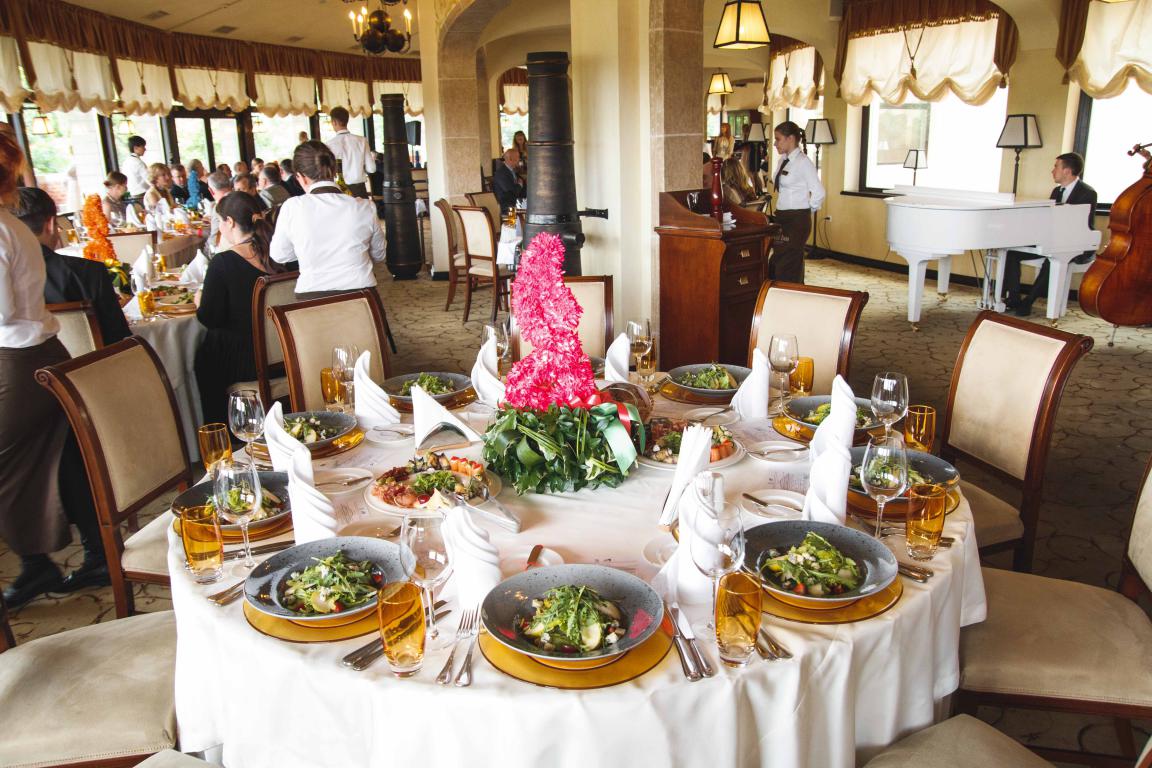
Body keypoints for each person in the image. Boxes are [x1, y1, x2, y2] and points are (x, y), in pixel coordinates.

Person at [13, 188, 127, 595]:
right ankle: (97, 550)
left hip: (25, 392)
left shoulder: (13, 278)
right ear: (51, 224)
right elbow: (118, 343)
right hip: (88, 396)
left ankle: (35, 559)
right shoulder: (88, 274)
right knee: (64, 440)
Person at [0, 132, 74, 608]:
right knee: (47, 459)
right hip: (41, 354)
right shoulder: (12, 226)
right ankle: (39, 560)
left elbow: (3, 312)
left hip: (20, 362)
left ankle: (36, 561)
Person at [194, 192, 290, 427]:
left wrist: (199, 301)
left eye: (220, 221)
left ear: (230, 222)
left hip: (246, 363)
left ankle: (221, 432)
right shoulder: (282, 256)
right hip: (286, 352)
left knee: (202, 358)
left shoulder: (223, 263)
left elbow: (210, 318)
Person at [270, 141, 385, 299]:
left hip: (312, 295)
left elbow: (279, 255)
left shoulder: (292, 207)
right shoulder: (365, 206)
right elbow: (379, 254)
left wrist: (308, 249)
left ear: (300, 177)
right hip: (362, 294)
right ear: (334, 171)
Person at [16, 187, 130, 346]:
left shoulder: (7, 277)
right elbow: (117, 337)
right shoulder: (89, 272)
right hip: (92, 361)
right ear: (50, 224)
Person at [1000, 152, 1098, 317]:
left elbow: (1081, 225)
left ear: (1067, 171)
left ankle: (1029, 301)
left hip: (1078, 244)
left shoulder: (1087, 193)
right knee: (1012, 253)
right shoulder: (1056, 191)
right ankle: (1014, 298)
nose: (1052, 171)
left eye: (1056, 167)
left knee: (1053, 259)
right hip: (1053, 240)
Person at [770, 121, 825, 284]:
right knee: (779, 260)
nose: (775, 144)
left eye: (778, 139)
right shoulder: (782, 160)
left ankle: (790, 293)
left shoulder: (803, 162)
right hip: (782, 217)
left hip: (797, 220)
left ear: (790, 138)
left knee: (788, 263)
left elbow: (819, 192)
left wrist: (806, 211)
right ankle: (788, 292)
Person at [325, 106, 375, 198]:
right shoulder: (362, 141)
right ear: (347, 121)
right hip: (359, 189)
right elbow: (372, 169)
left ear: (334, 122)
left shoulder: (329, 145)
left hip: (340, 189)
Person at [206, 171, 235, 250]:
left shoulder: (219, 207)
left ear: (211, 191)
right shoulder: (242, 198)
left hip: (228, 250)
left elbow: (214, 240)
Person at [492, 148, 525, 214]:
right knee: (530, 212)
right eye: (518, 157)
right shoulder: (501, 173)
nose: (519, 159)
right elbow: (511, 192)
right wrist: (519, 185)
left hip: (516, 203)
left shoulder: (512, 171)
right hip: (508, 208)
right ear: (510, 159)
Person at [123, 135, 150, 201]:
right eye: (143, 146)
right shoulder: (138, 162)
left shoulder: (126, 161)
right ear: (135, 148)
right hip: (142, 194)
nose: (145, 149)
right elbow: (149, 179)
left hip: (133, 194)